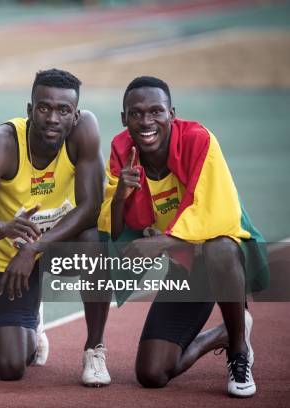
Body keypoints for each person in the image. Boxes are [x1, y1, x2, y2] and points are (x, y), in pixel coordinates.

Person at [97, 76, 269, 398]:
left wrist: (162, 241)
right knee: (151, 373)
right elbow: (116, 233)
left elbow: (221, 218)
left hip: (225, 257)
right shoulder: (123, 151)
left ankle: (238, 352)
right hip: (186, 266)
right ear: (124, 118)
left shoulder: (198, 139)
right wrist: (120, 194)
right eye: (136, 113)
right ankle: (219, 335)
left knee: (219, 248)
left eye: (156, 111)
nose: (146, 121)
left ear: (171, 113)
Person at [0, 69, 112, 385]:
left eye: (63, 110)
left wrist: (36, 246)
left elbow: (90, 207)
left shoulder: (85, 131)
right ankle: (33, 319)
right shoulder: (1, 144)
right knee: (10, 368)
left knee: (94, 240)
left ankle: (94, 347)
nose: (53, 118)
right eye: (44, 107)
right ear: (29, 110)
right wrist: (5, 229)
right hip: (12, 261)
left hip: (58, 248)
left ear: (75, 115)